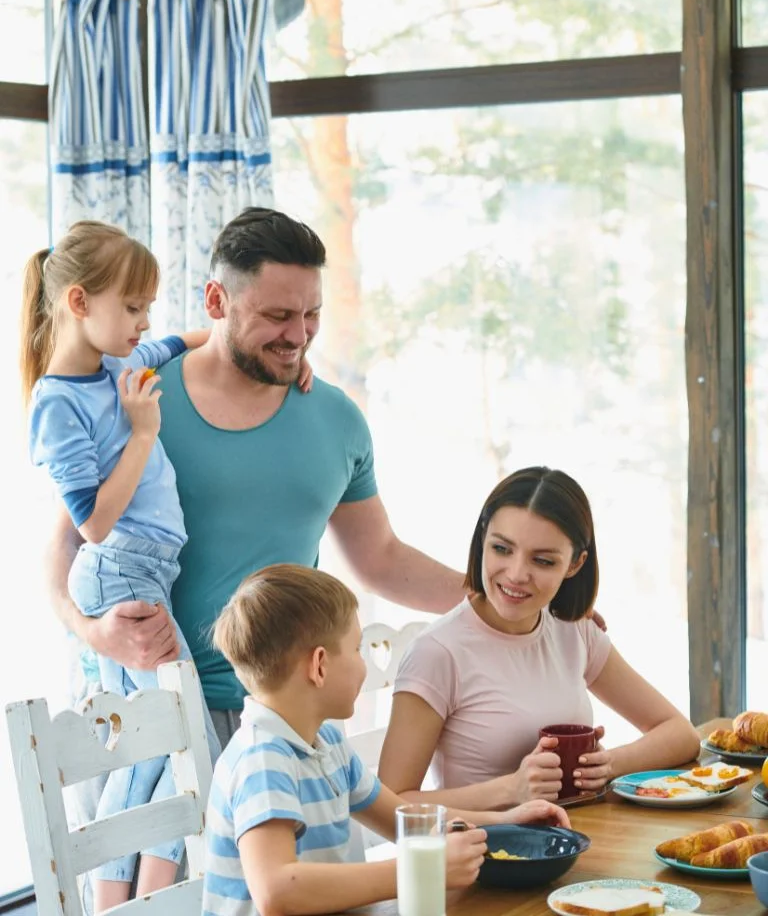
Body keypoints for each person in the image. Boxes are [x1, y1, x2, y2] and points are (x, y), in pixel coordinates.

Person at [44, 207, 470, 751]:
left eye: (312, 314)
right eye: (277, 316)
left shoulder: (337, 420)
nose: (298, 336)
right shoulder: (138, 397)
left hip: (288, 717)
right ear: (217, 301)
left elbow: (381, 557)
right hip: (151, 714)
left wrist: (505, 599)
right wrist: (90, 630)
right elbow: (67, 538)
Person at [20, 221, 310, 911]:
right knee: (171, 741)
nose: (143, 322)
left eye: (148, 307)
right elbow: (91, 520)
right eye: (132, 307)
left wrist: (288, 354)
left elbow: (184, 339)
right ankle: (121, 901)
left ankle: (134, 899)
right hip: (121, 572)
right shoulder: (56, 402)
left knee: (169, 747)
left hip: (149, 573)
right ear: (80, 303)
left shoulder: (122, 368)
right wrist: (144, 433)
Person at [203, 563, 570, 916]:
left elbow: (403, 819)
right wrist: (421, 870)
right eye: (357, 649)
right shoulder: (262, 759)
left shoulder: (326, 743)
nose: (365, 663)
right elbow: (277, 892)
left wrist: (506, 821)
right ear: (320, 665)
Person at [378, 466, 701, 809]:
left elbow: (681, 734)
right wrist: (512, 790)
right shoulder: (437, 653)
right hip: (480, 855)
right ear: (482, 541)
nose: (517, 575)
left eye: (543, 560)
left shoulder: (575, 631)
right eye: (502, 549)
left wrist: (608, 765)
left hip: (577, 840)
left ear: (574, 565)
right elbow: (391, 806)